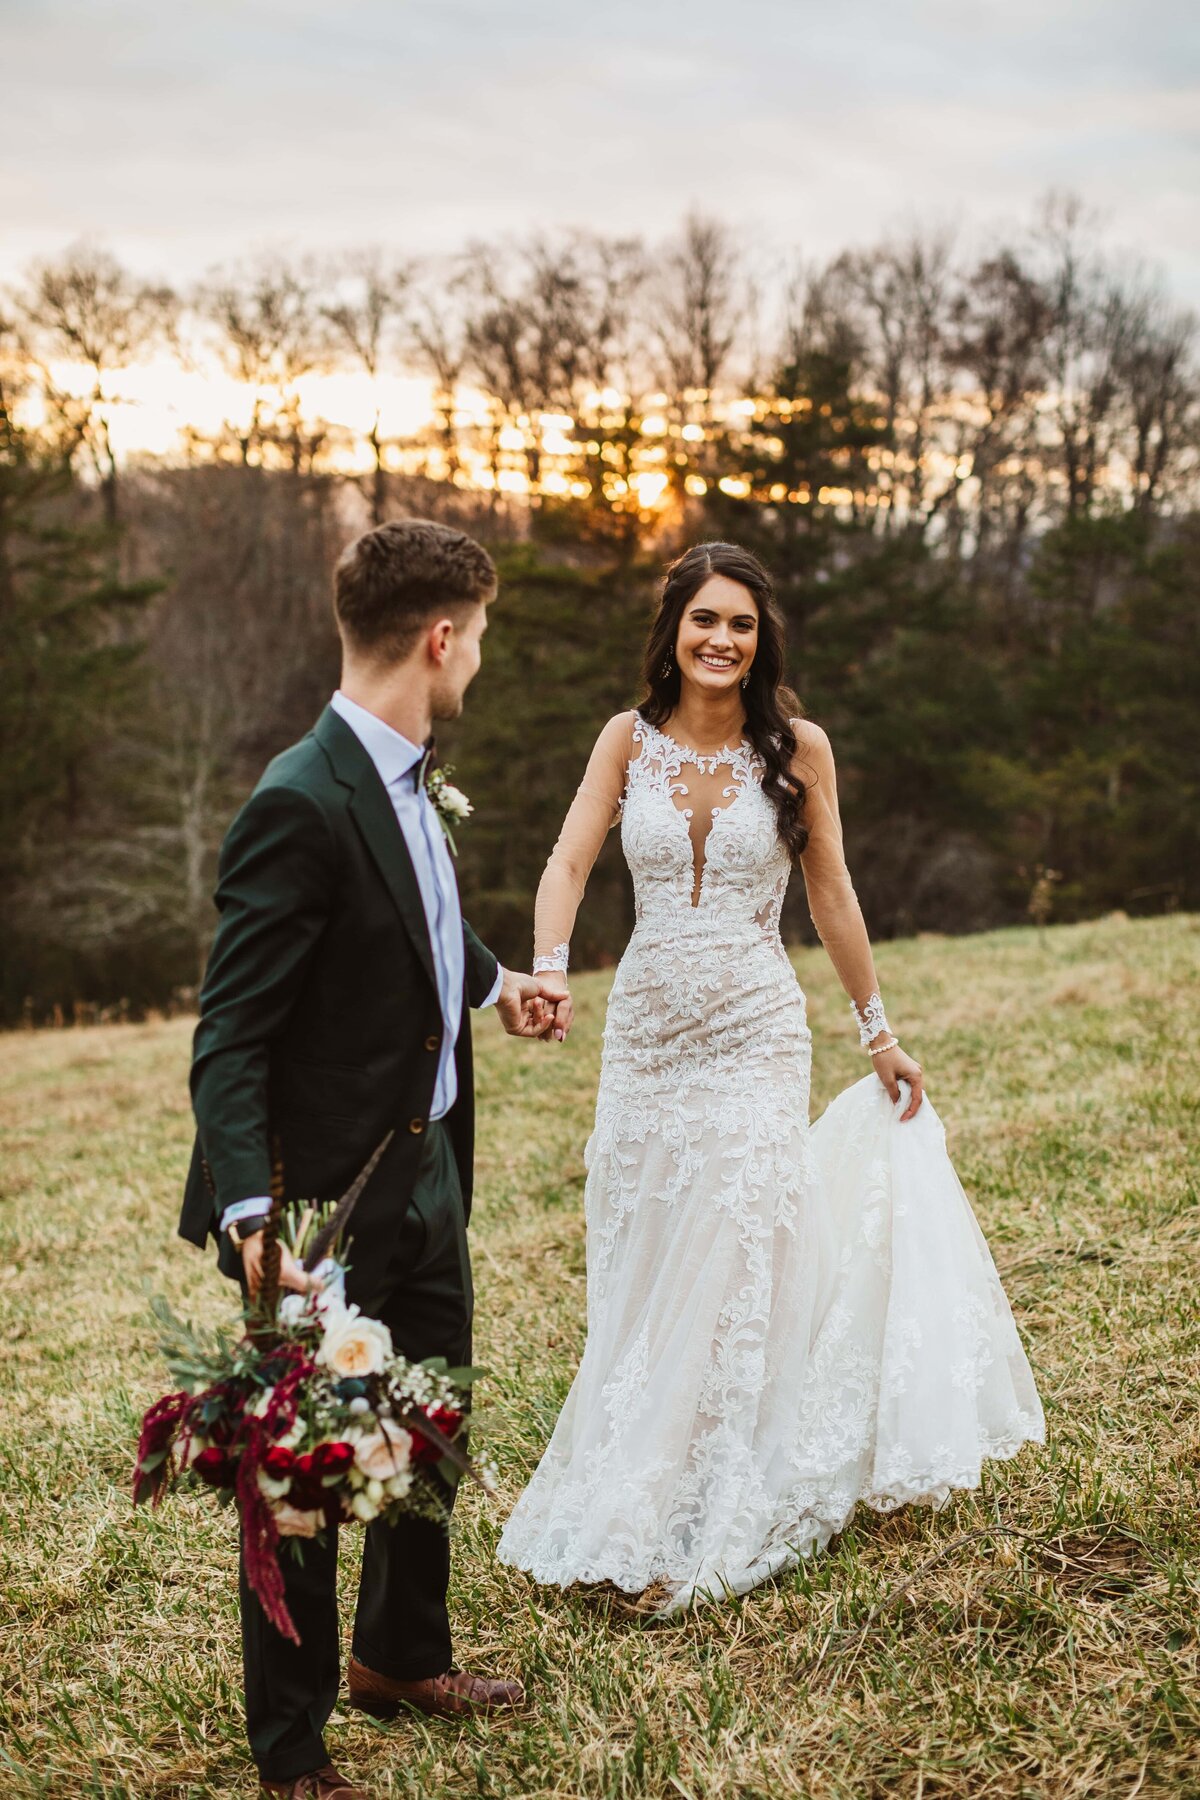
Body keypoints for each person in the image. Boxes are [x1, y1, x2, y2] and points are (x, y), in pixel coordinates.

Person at [497, 540, 1044, 1613]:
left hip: (756, 1030)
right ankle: (642, 1489)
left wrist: (877, 1032)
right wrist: (552, 970)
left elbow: (832, 896)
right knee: (652, 1254)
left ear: (762, 641)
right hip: (649, 1031)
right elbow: (568, 861)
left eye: (741, 624)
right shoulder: (627, 740)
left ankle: (716, 1499)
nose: (721, 640)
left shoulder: (798, 749)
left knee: (736, 1247)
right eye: (705, 619)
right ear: (674, 630)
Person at [179, 520, 549, 1800]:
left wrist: (498, 988)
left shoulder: (406, 778)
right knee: (305, 1474)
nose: (481, 660)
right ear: (441, 640)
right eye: (481, 639)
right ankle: (290, 1752)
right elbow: (229, 1036)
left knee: (427, 1423)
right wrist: (249, 1215)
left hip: (428, 1167)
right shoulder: (298, 798)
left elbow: (414, 922)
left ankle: (404, 1658)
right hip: (319, 1206)